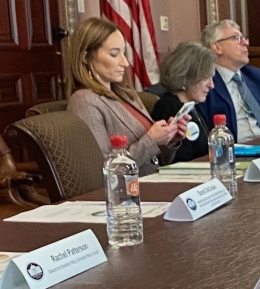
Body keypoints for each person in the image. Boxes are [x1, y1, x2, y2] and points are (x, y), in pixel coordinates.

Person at [65, 18, 187, 176]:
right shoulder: (85, 100)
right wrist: (151, 140)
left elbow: (157, 160)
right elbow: (105, 172)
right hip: (132, 189)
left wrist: (168, 139)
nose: (125, 63)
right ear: (85, 57)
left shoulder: (127, 95)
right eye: (114, 54)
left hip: (155, 180)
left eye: (124, 53)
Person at [150, 41, 215, 162]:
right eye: (206, 78)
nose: (211, 85)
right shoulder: (168, 107)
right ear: (186, 77)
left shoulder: (194, 105)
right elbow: (179, 159)